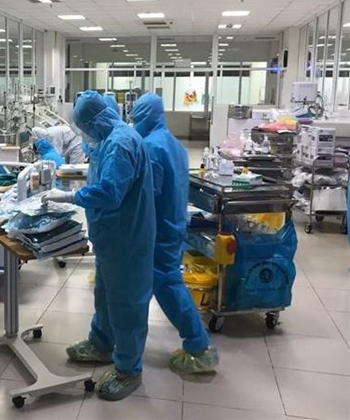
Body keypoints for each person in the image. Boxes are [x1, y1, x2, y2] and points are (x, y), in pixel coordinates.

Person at [42, 90, 155, 401]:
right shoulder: (109, 139)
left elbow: (109, 192)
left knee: (126, 304)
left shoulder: (120, 144)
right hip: (111, 237)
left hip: (126, 239)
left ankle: (128, 369)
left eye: (84, 128)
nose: (84, 135)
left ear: (95, 121)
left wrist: (70, 197)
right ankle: (102, 343)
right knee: (105, 295)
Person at [130, 92, 219, 375]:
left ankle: (197, 344)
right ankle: (196, 340)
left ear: (144, 116)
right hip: (174, 221)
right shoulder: (175, 145)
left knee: (167, 284)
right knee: (166, 280)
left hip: (157, 228)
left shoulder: (151, 148)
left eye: (135, 117)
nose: (133, 123)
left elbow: (146, 195)